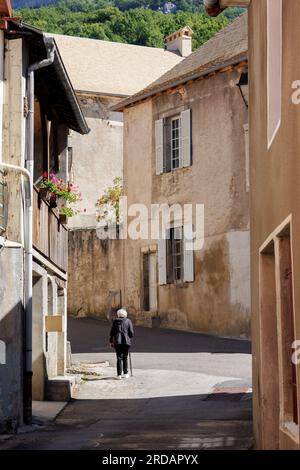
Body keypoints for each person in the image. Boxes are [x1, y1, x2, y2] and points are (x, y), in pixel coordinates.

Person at [109, 308, 134, 379]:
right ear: (125, 314)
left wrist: (111, 341)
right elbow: (131, 332)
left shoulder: (115, 321)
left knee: (119, 358)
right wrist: (129, 337)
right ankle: (125, 373)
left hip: (117, 341)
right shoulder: (128, 321)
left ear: (118, 315)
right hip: (126, 342)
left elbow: (112, 333)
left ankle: (119, 375)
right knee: (125, 357)